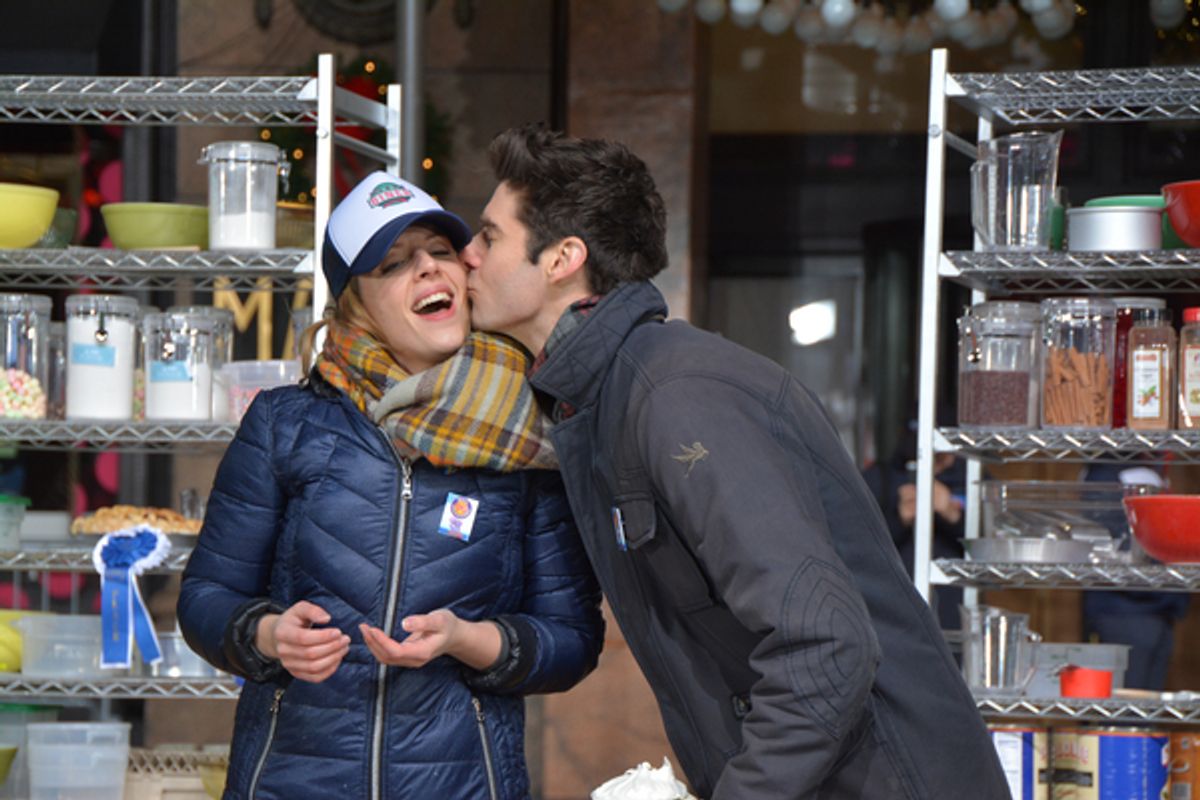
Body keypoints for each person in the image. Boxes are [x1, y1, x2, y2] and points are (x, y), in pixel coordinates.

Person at [461, 124, 1010, 799]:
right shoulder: (602, 398)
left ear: (562, 258)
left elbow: (825, 646)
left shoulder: (677, 397)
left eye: (489, 236)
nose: (467, 255)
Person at [177, 171, 603, 799]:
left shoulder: (526, 427)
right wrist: (268, 635)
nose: (429, 270)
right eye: (396, 263)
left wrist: (468, 640)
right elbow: (206, 597)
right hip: (291, 781)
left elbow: (571, 639)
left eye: (440, 251)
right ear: (356, 302)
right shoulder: (284, 423)